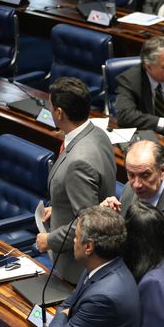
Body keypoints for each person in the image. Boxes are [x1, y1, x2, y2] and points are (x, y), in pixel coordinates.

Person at [37, 77, 116, 284]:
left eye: (50, 106)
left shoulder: (78, 161)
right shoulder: (97, 133)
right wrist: (59, 206)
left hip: (74, 268)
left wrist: (50, 240)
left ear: (59, 113)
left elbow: (88, 224)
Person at [102, 140, 164, 256]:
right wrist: (111, 219)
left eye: (145, 175)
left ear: (162, 170)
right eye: (131, 175)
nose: (136, 184)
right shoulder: (129, 188)